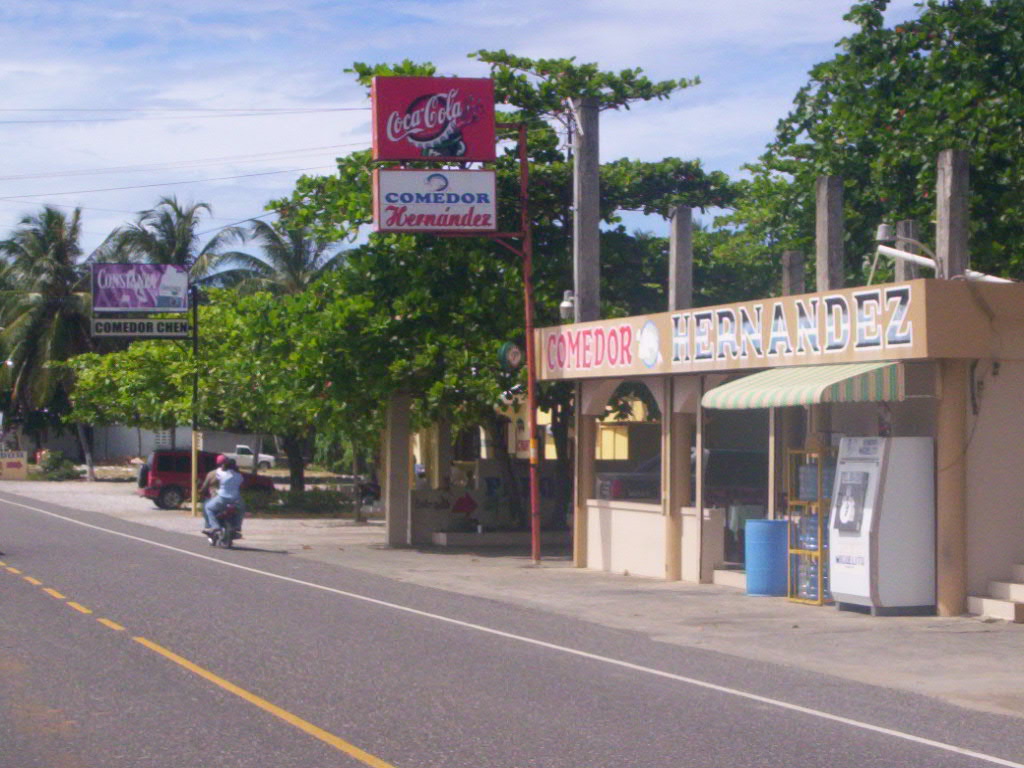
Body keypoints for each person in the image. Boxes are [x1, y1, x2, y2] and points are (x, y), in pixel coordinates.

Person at [203, 457, 245, 537]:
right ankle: (237, 527)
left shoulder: (220, 473)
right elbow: (242, 485)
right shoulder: (239, 476)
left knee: (208, 508)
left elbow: (218, 472)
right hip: (236, 499)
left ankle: (215, 527)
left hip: (223, 498)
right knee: (241, 510)